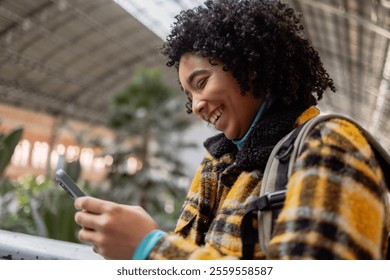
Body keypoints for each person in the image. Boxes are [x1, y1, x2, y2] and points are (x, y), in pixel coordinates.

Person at [74, 0, 390, 259]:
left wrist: (149, 248)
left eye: (201, 83)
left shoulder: (328, 144)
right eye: (189, 95)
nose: (196, 105)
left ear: (250, 68)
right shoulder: (217, 165)